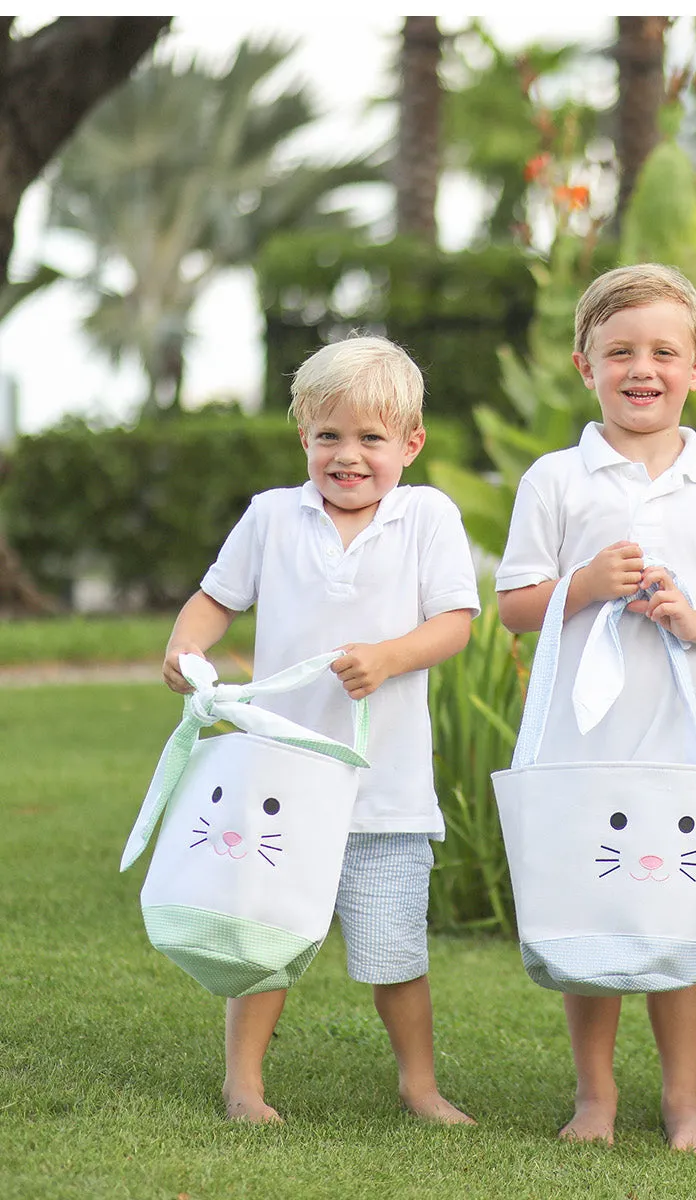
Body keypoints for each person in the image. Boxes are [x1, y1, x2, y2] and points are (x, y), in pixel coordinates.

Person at [494, 263, 696, 1151]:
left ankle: (683, 1103)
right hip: (580, 753)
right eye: (619, 351)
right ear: (584, 364)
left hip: (684, 754)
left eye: (663, 352)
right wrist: (583, 586)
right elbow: (516, 607)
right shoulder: (556, 479)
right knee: (589, 927)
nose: (642, 368)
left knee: (675, 932)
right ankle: (595, 1098)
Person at [161, 335, 481, 1125]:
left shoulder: (427, 517)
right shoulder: (273, 515)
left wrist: (390, 655)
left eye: (371, 438)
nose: (348, 456)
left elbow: (456, 623)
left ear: (410, 443)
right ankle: (245, 1085)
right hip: (279, 785)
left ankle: (420, 1086)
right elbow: (216, 597)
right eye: (328, 436)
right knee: (258, 933)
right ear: (303, 436)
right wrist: (184, 644)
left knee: (394, 951)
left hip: (385, 789)